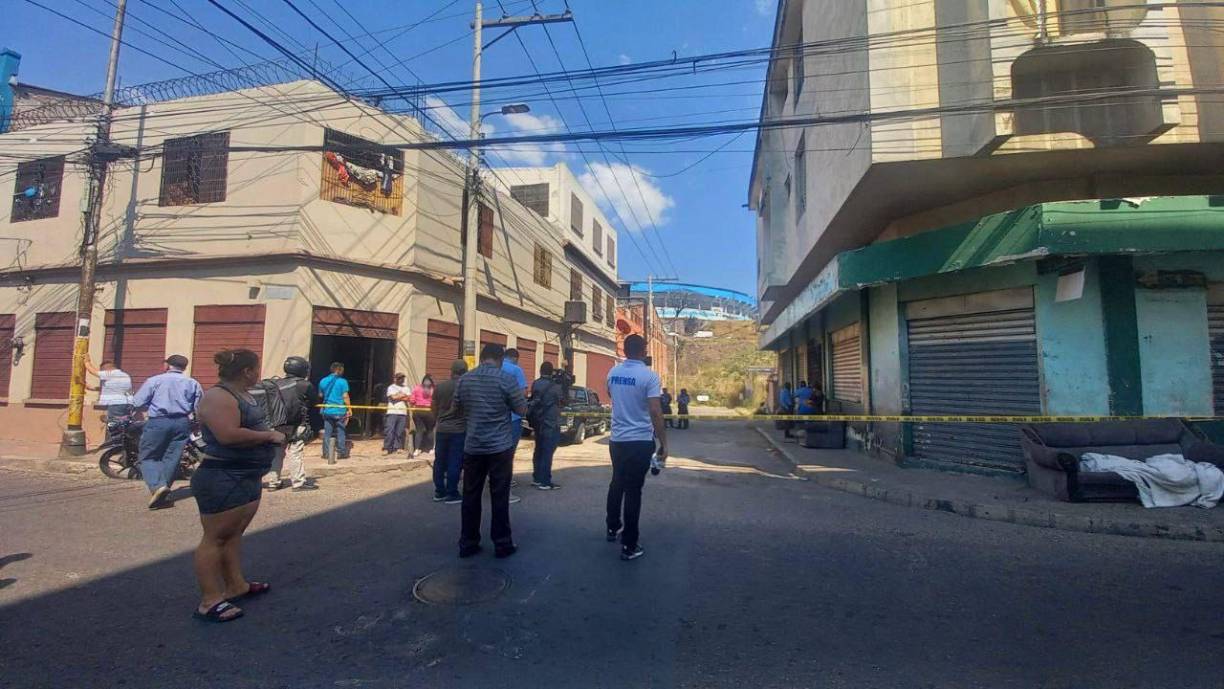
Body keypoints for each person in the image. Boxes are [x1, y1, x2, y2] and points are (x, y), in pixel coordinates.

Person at [190, 349, 285, 623]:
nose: (259, 373)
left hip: (246, 475)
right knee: (215, 538)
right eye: (257, 368)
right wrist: (269, 436)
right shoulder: (218, 397)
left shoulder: (243, 394)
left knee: (233, 535)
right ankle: (210, 601)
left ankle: (236, 586)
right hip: (222, 476)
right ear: (247, 371)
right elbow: (228, 435)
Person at [452, 343, 527, 559]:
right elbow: (521, 409)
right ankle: (502, 544)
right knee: (499, 496)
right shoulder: (506, 379)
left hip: (473, 446)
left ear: (482, 357)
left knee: (471, 496)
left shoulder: (466, 379)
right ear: (500, 359)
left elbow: (456, 408)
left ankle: (468, 543)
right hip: (500, 447)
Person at [605, 334, 668, 562]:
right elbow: (655, 411)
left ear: (624, 350)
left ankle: (612, 527)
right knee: (633, 491)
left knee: (617, 482)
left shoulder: (613, 372)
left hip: (617, 440)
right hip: (640, 441)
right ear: (643, 351)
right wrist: (664, 442)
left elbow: (611, 395)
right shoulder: (649, 376)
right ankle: (629, 545)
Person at [132, 355, 203, 510]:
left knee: (148, 456)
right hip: (182, 422)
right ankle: (163, 494)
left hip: (159, 421)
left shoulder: (155, 380)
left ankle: (158, 486)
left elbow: (137, 402)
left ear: (167, 365)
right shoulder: (193, 383)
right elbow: (199, 407)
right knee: (172, 457)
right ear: (184, 367)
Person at [264, 356, 318, 492]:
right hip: (297, 424)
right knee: (295, 452)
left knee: (277, 453)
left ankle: (273, 482)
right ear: (301, 369)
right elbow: (314, 401)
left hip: (277, 424)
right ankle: (298, 482)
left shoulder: (277, 383)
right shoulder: (305, 385)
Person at [431, 360, 468, 504]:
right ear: (465, 371)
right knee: (455, 460)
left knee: (439, 460)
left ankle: (439, 491)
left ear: (451, 371)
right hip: (459, 430)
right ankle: (452, 492)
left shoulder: (440, 387)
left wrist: (438, 419)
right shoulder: (465, 387)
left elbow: (433, 406)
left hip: (441, 429)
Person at [529, 361, 564, 491]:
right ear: (551, 372)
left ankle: (537, 478)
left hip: (538, 421)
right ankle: (545, 481)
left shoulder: (535, 383)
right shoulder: (555, 387)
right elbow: (562, 400)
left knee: (538, 449)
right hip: (550, 422)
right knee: (547, 452)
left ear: (540, 371)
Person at [501, 348, 528, 502]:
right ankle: (506, 484)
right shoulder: (516, 370)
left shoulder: (492, 369)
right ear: (515, 358)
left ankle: (495, 478)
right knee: (508, 453)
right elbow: (523, 393)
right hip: (512, 418)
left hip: (494, 419)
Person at [85, 356, 133, 440]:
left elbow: (92, 371)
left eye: (102, 371)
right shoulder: (124, 375)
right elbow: (114, 388)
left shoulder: (111, 373)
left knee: (114, 424)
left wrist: (87, 362)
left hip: (116, 405)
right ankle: (123, 443)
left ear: (106, 369)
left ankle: (114, 444)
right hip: (126, 404)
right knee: (123, 424)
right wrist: (93, 388)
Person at [318, 362, 351, 462]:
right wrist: (349, 409)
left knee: (327, 432)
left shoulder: (323, 381)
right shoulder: (342, 382)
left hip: (327, 410)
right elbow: (345, 396)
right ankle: (341, 453)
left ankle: (326, 453)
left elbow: (320, 395)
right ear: (339, 370)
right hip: (340, 410)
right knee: (341, 431)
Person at [382, 373, 410, 455]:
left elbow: (408, 398)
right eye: (399, 378)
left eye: (402, 378)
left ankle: (397, 447)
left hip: (403, 412)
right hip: (392, 412)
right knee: (389, 430)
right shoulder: (391, 387)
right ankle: (387, 448)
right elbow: (392, 397)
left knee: (400, 431)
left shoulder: (406, 388)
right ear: (395, 379)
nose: (401, 379)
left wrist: (398, 395)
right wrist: (402, 395)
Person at [410, 374, 436, 458]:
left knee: (419, 430)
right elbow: (435, 401)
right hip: (429, 411)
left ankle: (416, 450)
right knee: (430, 430)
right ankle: (431, 449)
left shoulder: (417, 388)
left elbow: (412, 400)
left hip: (418, 411)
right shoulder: (433, 389)